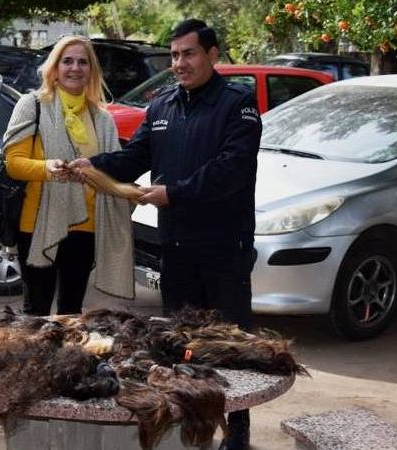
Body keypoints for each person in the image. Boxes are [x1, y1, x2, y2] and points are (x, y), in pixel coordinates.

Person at [69, 19, 261, 450]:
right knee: (181, 345)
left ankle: (238, 432)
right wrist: (93, 166)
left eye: (188, 54)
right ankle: (190, 424)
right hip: (176, 248)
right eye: (174, 55)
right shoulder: (163, 105)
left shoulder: (237, 104)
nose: (179, 63)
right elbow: (136, 155)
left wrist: (173, 193)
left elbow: (231, 169)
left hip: (224, 247)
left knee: (230, 343)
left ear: (212, 55)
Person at [2, 35, 135, 317]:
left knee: (71, 314)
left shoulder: (103, 118)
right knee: (36, 313)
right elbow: (13, 163)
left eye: (83, 62)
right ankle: (33, 362)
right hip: (38, 226)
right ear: (55, 67)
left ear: (92, 70)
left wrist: (132, 192)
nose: (75, 68)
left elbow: (112, 168)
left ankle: (65, 363)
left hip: (85, 228)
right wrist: (46, 168)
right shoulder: (33, 104)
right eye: (68, 61)